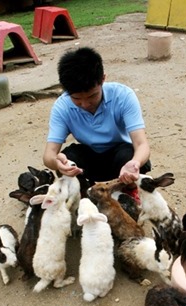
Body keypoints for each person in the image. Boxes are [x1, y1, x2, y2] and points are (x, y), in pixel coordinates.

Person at [43, 46, 151, 198]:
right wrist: (57, 163)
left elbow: (142, 144)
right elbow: (49, 155)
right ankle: (84, 193)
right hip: (89, 161)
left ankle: (129, 190)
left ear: (103, 79)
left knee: (130, 154)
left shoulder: (123, 96)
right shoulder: (62, 107)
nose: (85, 104)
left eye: (92, 96)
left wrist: (135, 163)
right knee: (69, 157)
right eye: (77, 99)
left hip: (120, 158)